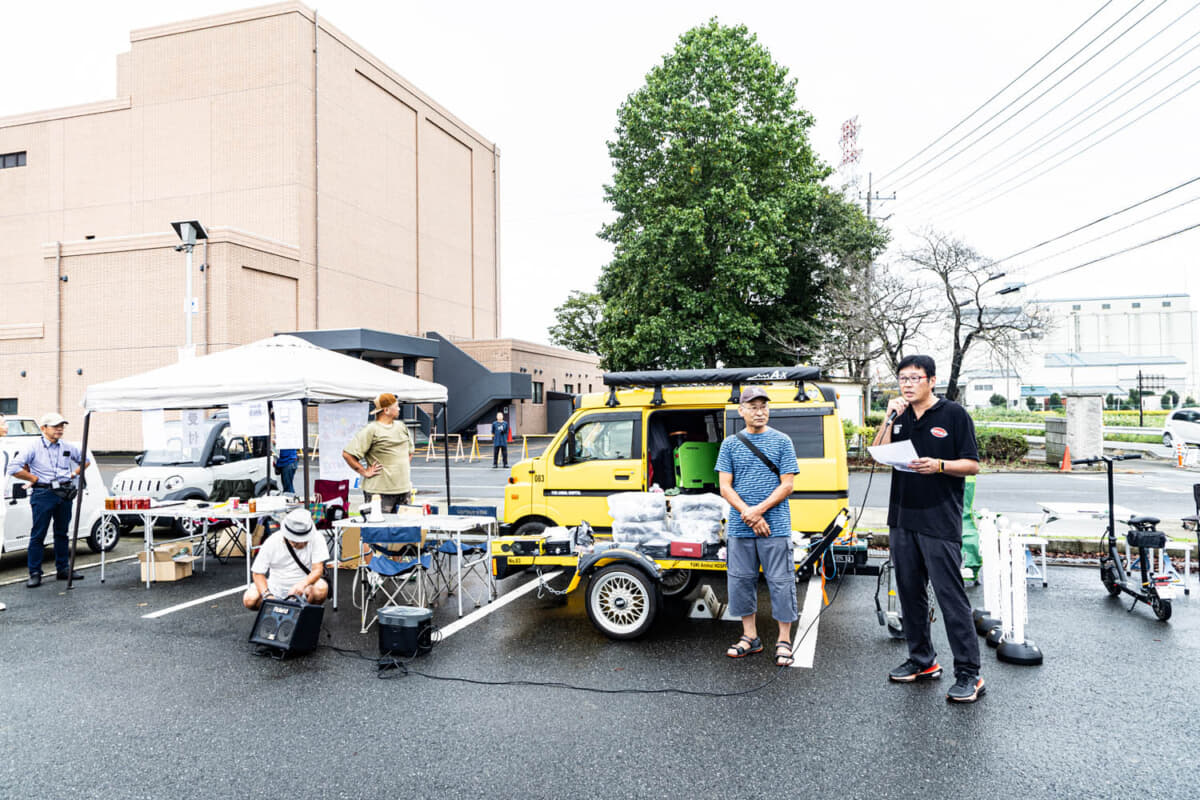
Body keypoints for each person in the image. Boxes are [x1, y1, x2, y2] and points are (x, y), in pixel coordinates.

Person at [872, 354, 984, 703]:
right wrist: (888, 419)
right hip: (903, 518)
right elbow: (877, 451)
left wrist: (938, 465)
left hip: (938, 519)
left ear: (931, 380)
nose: (907, 384)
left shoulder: (953, 415)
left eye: (914, 378)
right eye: (902, 378)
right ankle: (922, 661)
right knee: (909, 592)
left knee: (951, 598)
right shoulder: (900, 415)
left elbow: (972, 465)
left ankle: (969, 674)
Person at [716, 387, 798, 667]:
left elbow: (787, 484)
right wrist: (747, 514)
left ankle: (784, 639)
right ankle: (750, 637)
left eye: (764, 406)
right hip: (740, 527)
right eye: (753, 406)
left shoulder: (783, 441)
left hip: (775, 524)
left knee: (781, 582)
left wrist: (758, 511)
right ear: (741, 411)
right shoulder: (730, 444)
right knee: (740, 581)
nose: (760, 411)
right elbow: (724, 486)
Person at [5, 413, 88, 587]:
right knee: (38, 534)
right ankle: (35, 573)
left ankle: (63, 569)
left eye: (62, 426)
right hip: (43, 493)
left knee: (62, 533)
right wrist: (33, 479)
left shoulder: (67, 446)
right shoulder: (33, 447)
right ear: (43, 428)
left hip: (64, 492)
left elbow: (85, 461)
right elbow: (13, 467)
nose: (60, 429)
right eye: (55, 426)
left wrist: (73, 474)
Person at [243, 508, 329, 609]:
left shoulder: (317, 538)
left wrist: (303, 584)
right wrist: (267, 595)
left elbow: (318, 570)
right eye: (296, 541)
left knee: (321, 589)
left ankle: (306, 614)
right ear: (286, 537)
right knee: (250, 599)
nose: (302, 543)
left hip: (305, 587)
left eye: (305, 540)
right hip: (276, 587)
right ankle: (272, 612)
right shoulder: (272, 541)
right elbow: (257, 573)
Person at [341, 392, 413, 512]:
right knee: (379, 529)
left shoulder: (402, 427)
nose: (399, 408)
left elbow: (410, 452)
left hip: (404, 490)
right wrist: (364, 472)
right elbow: (347, 454)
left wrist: (400, 469)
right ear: (386, 410)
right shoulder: (371, 429)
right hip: (379, 492)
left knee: (403, 529)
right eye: (396, 406)